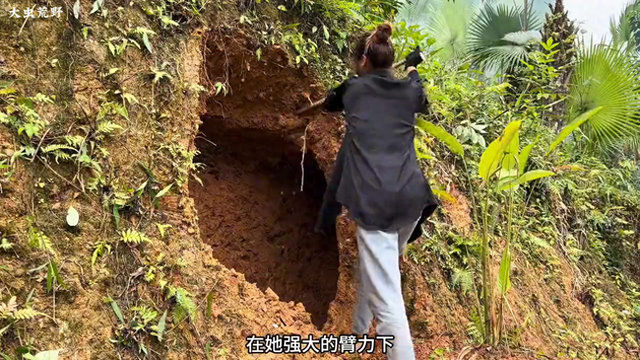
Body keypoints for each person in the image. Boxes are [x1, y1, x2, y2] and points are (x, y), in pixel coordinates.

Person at [314, 23, 439, 359]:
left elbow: (331, 101)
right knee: (380, 273)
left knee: (388, 302)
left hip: (376, 204)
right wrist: (413, 66)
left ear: (363, 62)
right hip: (410, 201)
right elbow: (417, 88)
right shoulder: (408, 91)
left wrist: (325, 101)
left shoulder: (353, 90)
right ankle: (356, 334)